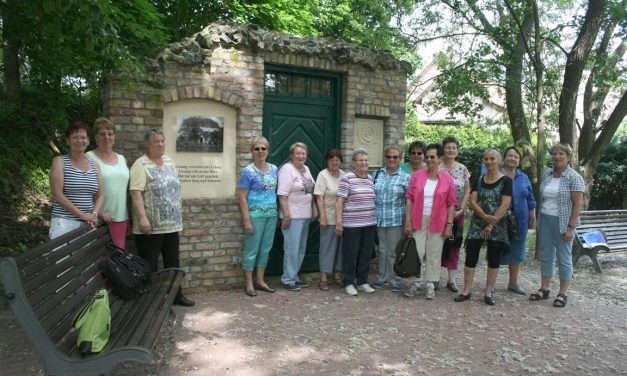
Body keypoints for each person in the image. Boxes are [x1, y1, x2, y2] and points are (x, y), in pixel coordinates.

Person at [130, 129, 194, 307]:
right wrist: (142, 218)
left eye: (161, 141)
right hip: (150, 226)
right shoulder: (140, 165)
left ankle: (176, 295)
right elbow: (135, 193)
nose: (159, 144)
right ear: (147, 145)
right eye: (155, 142)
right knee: (150, 265)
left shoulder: (169, 161)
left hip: (172, 225)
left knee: (173, 262)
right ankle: (151, 301)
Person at [454, 148, 512, 306]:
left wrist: (491, 223)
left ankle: (487, 292)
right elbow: (473, 201)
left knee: (494, 258)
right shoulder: (480, 179)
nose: (489, 162)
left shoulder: (506, 181)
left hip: (497, 224)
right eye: (486, 159)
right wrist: (484, 216)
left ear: (499, 161)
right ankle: (466, 290)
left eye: (492, 158)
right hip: (478, 222)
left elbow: (505, 203)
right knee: (471, 255)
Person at [529, 143, 584, 308]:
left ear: (568, 157)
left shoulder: (574, 177)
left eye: (561, 154)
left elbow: (577, 205)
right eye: (554, 153)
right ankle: (544, 289)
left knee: (564, 257)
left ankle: (562, 293)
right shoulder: (548, 173)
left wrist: (570, 228)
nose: (557, 157)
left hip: (564, 222)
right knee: (546, 255)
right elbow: (543, 198)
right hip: (545, 219)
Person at [404, 144, 457, 299]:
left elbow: (451, 203)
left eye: (432, 157)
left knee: (434, 253)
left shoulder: (447, 179)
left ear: (439, 159)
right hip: (418, 219)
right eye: (427, 156)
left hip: (438, 221)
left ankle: (430, 284)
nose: (429, 159)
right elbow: (409, 199)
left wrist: (449, 224)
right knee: (417, 252)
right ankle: (415, 283)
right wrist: (407, 221)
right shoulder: (417, 176)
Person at [238, 136, 278, 297]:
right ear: (252, 152)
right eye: (257, 149)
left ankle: (260, 280)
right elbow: (241, 197)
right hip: (254, 216)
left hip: (272, 214)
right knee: (251, 249)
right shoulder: (248, 171)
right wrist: (247, 220)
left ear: (268, 151)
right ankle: (249, 283)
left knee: (266, 249)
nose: (260, 151)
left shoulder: (275, 169)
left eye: (263, 149)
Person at [49, 121, 103, 239]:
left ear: (88, 140)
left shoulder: (95, 165)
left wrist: (94, 214)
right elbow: (57, 194)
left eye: (83, 137)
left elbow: (100, 195)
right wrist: (82, 215)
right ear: (68, 141)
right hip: (63, 222)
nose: (79, 141)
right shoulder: (59, 161)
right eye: (75, 137)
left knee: (86, 258)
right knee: (62, 258)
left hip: (88, 223)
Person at [335, 148, 377, 296]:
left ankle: (362, 282)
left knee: (365, 254)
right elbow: (339, 201)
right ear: (354, 163)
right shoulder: (347, 178)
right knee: (350, 255)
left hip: (369, 223)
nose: (364, 162)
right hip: (352, 225)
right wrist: (339, 222)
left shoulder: (370, 178)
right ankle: (348, 282)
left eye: (366, 160)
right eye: (360, 160)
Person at [87, 118, 130, 249]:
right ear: (96, 138)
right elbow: (83, 190)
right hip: (99, 219)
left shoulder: (122, 159)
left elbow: (125, 190)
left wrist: (129, 217)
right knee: (99, 263)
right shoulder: (88, 157)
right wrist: (98, 212)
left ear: (114, 137)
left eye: (110, 133)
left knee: (117, 262)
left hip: (121, 218)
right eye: (102, 134)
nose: (107, 137)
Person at [372, 145, 410, 292]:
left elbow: (409, 201)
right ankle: (382, 277)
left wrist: (408, 221)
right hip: (379, 219)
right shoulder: (377, 174)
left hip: (395, 219)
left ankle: (394, 279)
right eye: (389, 156)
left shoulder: (406, 177)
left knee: (393, 250)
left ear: (400, 159)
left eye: (395, 157)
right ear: (385, 157)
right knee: (381, 249)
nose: (391, 159)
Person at [278, 142, 315, 291]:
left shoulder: (306, 169)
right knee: (291, 248)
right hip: (292, 216)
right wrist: (286, 216)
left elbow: (310, 190)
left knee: (300, 248)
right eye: (297, 153)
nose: (300, 156)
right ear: (292, 155)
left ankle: (294, 276)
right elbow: (282, 194)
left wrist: (314, 210)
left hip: (305, 215)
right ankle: (287, 279)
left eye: (303, 153)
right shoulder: (287, 169)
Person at [501, 146, 536, 294]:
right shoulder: (496, 174)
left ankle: (513, 283)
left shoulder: (524, 177)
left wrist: (532, 216)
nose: (513, 158)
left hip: (521, 219)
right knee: (497, 249)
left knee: (517, 249)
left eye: (516, 157)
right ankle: (490, 285)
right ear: (504, 157)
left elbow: (530, 198)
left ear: (519, 161)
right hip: (500, 219)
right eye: (510, 155)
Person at [439, 136, 471, 292]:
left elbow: (467, 190)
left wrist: (462, 208)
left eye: (453, 147)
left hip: (457, 213)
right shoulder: (437, 167)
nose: (450, 150)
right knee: (437, 245)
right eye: (448, 147)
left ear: (457, 150)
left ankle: (451, 280)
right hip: (439, 213)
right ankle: (435, 277)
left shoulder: (462, 169)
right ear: (443, 149)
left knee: (454, 245)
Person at [314, 148, 345, 291]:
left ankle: (337, 275)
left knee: (340, 249)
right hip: (328, 217)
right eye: (332, 159)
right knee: (327, 248)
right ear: (327, 161)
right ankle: (324, 278)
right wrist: (323, 217)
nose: (334, 162)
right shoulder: (323, 175)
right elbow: (319, 197)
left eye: (337, 159)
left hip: (343, 218)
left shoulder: (344, 175)